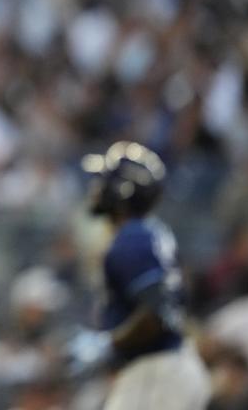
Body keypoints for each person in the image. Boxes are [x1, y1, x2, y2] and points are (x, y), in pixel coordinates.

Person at [67, 141, 211, 410]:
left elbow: (157, 315)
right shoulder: (148, 233)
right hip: (168, 368)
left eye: (105, 181)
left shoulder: (132, 239)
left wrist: (108, 344)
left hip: (157, 371)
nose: (97, 188)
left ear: (122, 190)